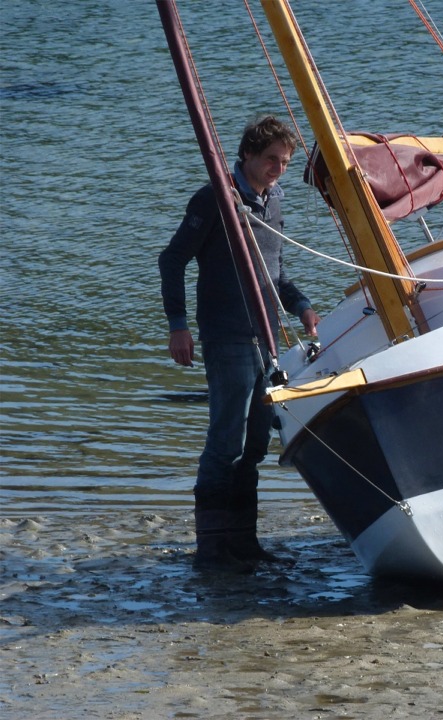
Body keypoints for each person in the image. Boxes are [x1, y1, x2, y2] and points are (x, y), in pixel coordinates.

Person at [159, 115, 320, 573]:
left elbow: (275, 271)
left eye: (286, 162)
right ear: (247, 153)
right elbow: (171, 260)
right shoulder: (215, 198)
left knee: (254, 445)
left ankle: (243, 541)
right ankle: (211, 548)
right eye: (271, 159)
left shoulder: (274, 200)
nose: (278, 169)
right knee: (225, 441)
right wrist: (178, 325)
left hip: (265, 337)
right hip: (227, 336)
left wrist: (302, 306)